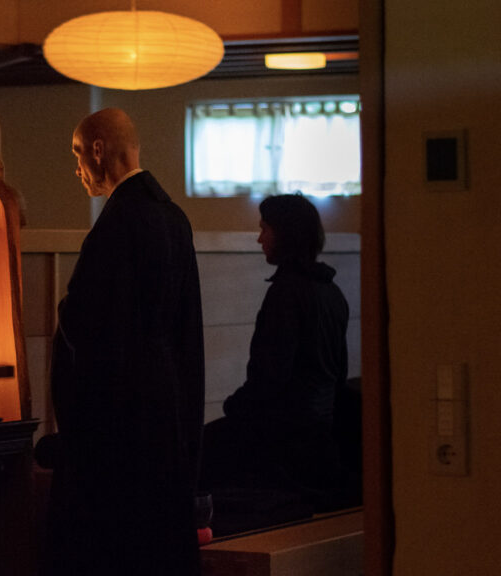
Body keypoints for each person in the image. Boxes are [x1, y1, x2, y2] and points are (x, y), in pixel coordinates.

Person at [41, 108, 205, 575]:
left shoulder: (118, 223)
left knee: (114, 547)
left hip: (119, 416)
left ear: (98, 150)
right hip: (166, 402)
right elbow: (188, 325)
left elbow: (88, 324)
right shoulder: (173, 217)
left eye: (77, 153)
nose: (76, 169)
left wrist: (66, 309)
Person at [200, 193, 352, 516]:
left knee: (195, 455)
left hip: (282, 441)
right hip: (318, 440)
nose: (260, 239)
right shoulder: (333, 293)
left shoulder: (286, 294)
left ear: (286, 233)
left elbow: (269, 380)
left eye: (264, 229)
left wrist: (234, 406)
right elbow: (338, 376)